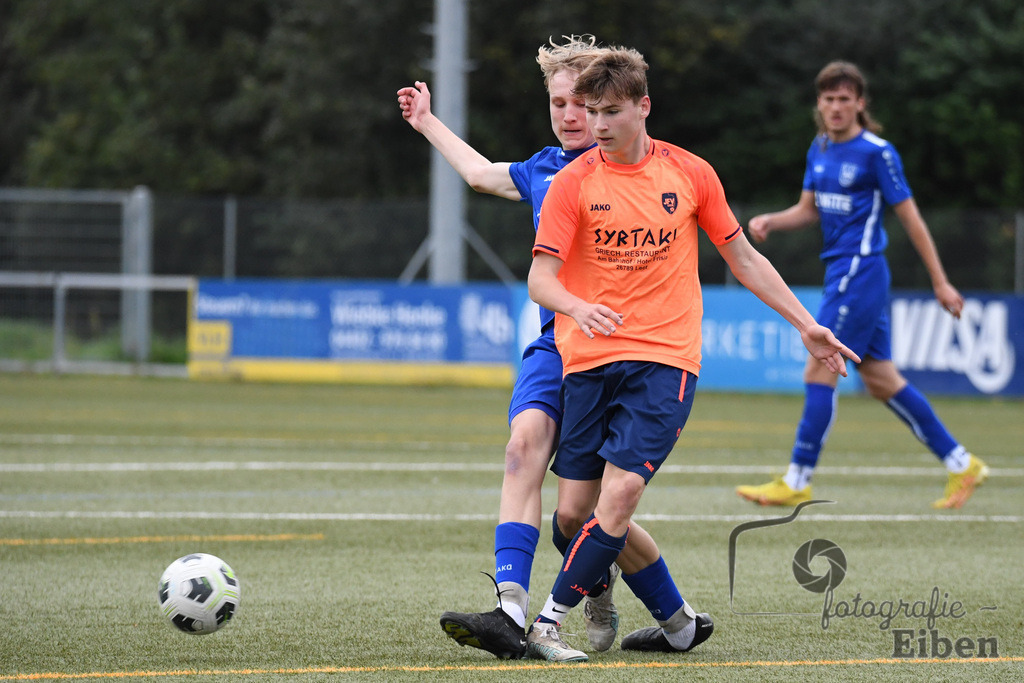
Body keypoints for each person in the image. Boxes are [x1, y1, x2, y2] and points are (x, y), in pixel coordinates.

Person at [520, 46, 859, 662]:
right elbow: (540, 279)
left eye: (611, 111)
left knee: (618, 499)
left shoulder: (690, 174)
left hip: (666, 359)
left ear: (643, 107)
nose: (596, 125)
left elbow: (745, 259)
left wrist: (807, 325)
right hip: (588, 359)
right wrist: (574, 307)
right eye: (590, 111)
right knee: (573, 518)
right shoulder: (573, 181)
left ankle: (547, 622)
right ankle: (678, 623)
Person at [397, 35, 659, 660]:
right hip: (553, 342)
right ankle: (510, 607)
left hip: (612, 352)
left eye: (581, 102)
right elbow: (481, 174)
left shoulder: (625, 166)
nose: (570, 116)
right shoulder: (544, 167)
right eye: (558, 103)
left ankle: (625, 598)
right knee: (521, 451)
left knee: (580, 516)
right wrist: (428, 121)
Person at [735, 61, 988, 509]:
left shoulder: (877, 153)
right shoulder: (820, 147)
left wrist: (941, 282)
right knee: (881, 380)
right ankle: (961, 463)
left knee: (819, 364)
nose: (836, 107)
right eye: (828, 99)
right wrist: (774, 220)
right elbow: (809, 209)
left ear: (860, 103)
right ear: (819, 103)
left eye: (844, 99)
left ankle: (797, 478)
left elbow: (911, 219)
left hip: (861, 270)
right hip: (843, 272)